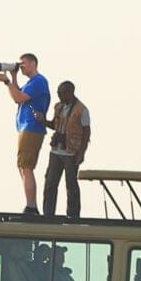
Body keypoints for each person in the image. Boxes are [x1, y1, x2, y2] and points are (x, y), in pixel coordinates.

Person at [0, 54, 50, 213]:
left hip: (31, 128)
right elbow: (18, 93)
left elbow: (18, 98)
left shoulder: (39, 81)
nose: (21, 66)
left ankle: (31, 206)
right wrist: (13, 78)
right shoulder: (32, 83)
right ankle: (30, 203)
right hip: (26, 127)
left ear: (33, 63)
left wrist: (7, 82)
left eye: (23, 64)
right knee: (23, 166)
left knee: (26, 166)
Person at [43, 79, 93, 219]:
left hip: (71, 152)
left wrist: (81, 153)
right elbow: (54, 125)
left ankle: (73, 215)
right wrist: (43, 121)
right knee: (50, 183)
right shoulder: (58, 107)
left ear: (69, 92)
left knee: (71, 185)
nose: (59, 96)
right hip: (56, 151)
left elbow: (86, 132)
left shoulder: (82, 110)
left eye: (61, 93)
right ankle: (48, 214)